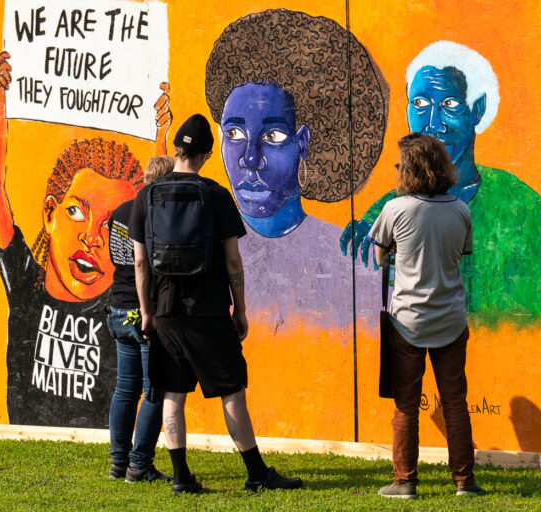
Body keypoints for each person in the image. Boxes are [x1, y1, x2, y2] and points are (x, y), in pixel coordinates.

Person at [0, 51, 172, 426]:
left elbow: (155, 211)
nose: (91, 238)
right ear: (50, 213)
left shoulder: (118, 307)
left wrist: (160, 139)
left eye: (109, 224)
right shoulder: (26, 282)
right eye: (75, 212)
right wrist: (1, 103)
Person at [129, 113, 303, 493]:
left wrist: (146, 312)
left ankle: (180, 477)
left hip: (165, 312)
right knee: (231, 392)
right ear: (208, 154)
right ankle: (257, 473)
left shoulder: (145, 197)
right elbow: (233, 261)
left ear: (176, 148)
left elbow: (140, 263)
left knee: (173, 393)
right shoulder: (216, 196)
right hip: (208, 310)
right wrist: (239, 308)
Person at [204, 9, 386, 328]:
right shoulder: (199, 250)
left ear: (303, 142)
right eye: (234, 134)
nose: (249, 159)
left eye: (272, 136)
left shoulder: (352, 263)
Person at [341, 41, 541, 325]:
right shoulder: (386, 209)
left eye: (449, 104)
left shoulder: (522, 208)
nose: (432, 124)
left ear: (478, 109)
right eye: (420, 104)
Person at [369, 133, 483, 499]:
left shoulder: (396, 210)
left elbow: (379, 257)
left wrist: (395, 255)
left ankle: (405, 482)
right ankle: (464, 482)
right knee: (455, 402)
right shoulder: (461, 209)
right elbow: (461, 253)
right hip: (450, 319)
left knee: (406, 404)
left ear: (411, 169)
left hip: (407, 322)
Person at [107, 156, 175, 482]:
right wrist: (150, 311)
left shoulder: (122, 211)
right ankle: (140, 464)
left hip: (118, 308)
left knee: (125, 389)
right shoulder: (156, 213)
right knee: (154, 391)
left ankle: (118, 463)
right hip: (143, 313)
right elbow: (142, 265)